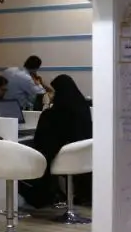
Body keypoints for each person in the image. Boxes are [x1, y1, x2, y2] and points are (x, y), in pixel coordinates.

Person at [20, 74, 93, 209]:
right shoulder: (83, 107)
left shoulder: (52, 114)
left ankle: (43, 195)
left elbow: (40, 140)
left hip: (63, 159)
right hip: (82, 159)